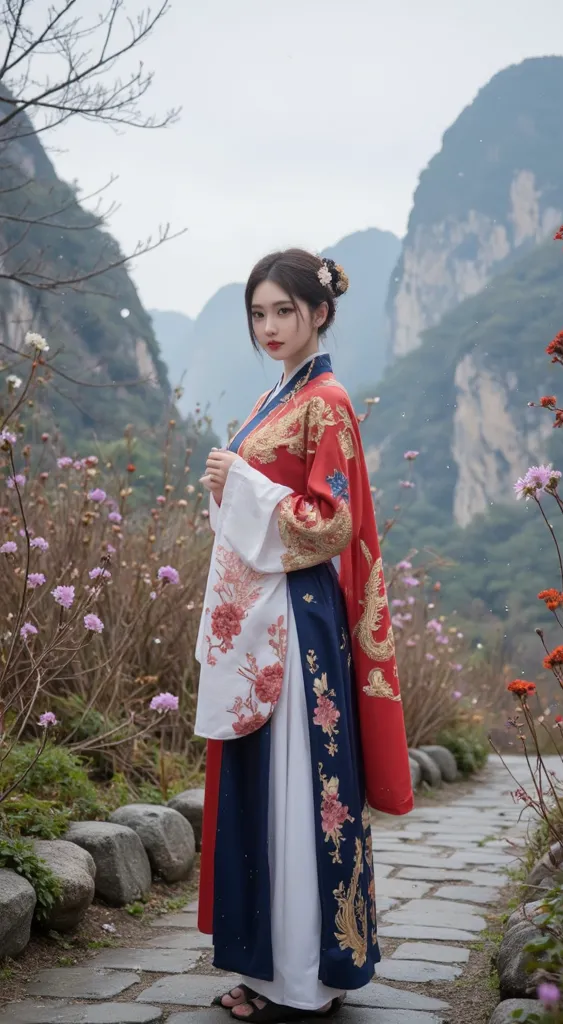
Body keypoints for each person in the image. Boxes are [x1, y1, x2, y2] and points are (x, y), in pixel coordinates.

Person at [194, 248, 413, 1023]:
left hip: (300, 616)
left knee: (299, 786)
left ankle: (306, 977)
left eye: (283, 310)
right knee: (268, 782)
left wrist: (241, 483)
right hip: (266, 612)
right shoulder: (275, 398)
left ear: (319, 313)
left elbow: (332, 521)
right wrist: (237, 488)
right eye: (258, 313)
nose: (269, 326)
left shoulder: (328, 401)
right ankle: (270, 968)